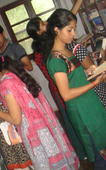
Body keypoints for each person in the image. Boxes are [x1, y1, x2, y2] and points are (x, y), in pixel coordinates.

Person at [0, 53, 79, 170]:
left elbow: (16, 119)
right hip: (42, 124)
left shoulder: (5, 85)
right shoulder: (12, 74)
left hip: (33, 131)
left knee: (48, 162)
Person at [45, 8, 106, 170]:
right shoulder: (55, 60)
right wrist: (94, 83)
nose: (74, 34)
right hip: (82, 110)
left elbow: (74, 78)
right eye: (69, 30)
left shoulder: (66, 50)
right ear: (56, 30)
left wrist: (91, 72)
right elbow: (66, 94)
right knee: (100, 154)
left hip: (91, 103)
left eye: (74, 29)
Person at [0, 23, 58, 112]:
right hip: (8, 89)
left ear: (3, 34)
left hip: (22, 85)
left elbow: (29, 67)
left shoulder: (15, 48)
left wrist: (12, 67)